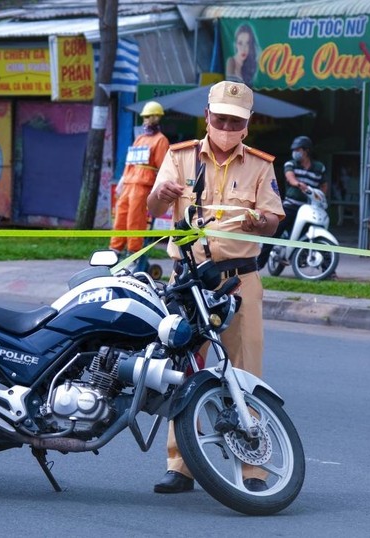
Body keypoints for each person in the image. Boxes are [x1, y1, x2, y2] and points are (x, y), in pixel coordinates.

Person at [147, 81, 284, 494]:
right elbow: (153, 207)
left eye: (235, 121)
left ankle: (253, 469)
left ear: (247, 125)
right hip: (187, 278)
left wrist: (260, 223)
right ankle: (181, 464)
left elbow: (273, 219)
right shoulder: (179, 156)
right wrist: (161, 193)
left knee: (245, 372)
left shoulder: (260, 165)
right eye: (220, 118)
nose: (226, 126)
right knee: (182, 371)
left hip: (239, 278)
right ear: (207, 115)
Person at [257, 135, 327, 270]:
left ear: (306, 150)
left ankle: (327, 269)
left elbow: (324, 185)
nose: (295, 152)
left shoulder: (319, 167)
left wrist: (321, 195)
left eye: (298, 149)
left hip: (309, 208)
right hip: (291, 206)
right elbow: (290, 178)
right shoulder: (290, 164)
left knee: (316, 236)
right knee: (275, 232)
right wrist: (298, 184)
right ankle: (258, 266)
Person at [109, 101, 170, 255]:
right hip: (129, 182)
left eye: (148, 117)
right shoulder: (140, 139)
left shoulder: (161, 140)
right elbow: (130, 162)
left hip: (143, 185)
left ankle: (133, 251)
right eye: (145, 117)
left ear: (157, 118)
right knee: (120, 216)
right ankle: (115, 248)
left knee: (135, 219)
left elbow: (163, 166)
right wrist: (122, 181)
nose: (145, 120)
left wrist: (159, 189)